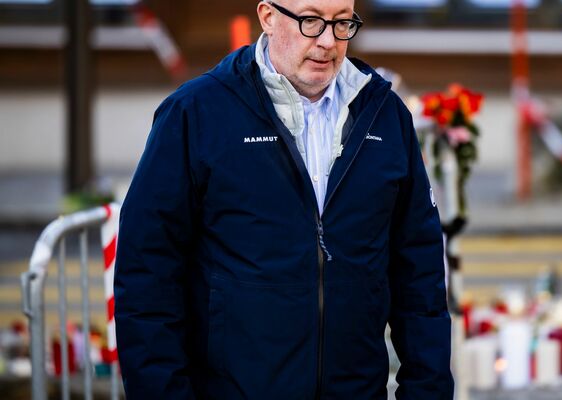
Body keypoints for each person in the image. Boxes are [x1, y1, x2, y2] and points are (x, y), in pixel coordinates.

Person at [113, 0, 454, 399]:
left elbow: (420, 276)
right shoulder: (195, 113)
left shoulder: (386, 115)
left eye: (343, 23)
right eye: (311, 21)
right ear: (268, 17)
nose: (328, 41)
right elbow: (147, 276)